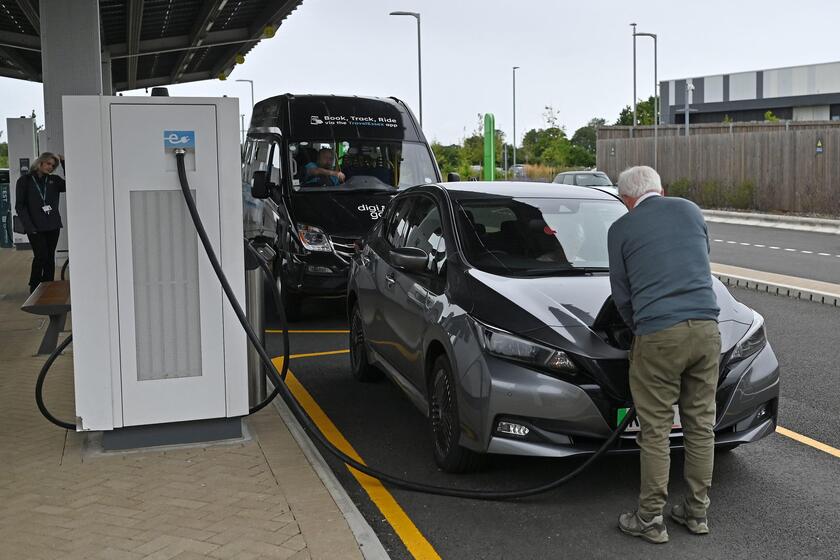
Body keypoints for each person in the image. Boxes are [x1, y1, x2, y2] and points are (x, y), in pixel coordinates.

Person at [608, 166, 721, 544]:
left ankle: (650, 519)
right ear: (661, 189)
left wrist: (638, 329)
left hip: (658, 332)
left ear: (626, 199)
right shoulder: (690, 210)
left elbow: (623, 296)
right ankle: (696, 512)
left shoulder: (622, 229)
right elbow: (699, 260)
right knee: (700, 424)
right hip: (707, 329)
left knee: (655, 430)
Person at [15, 152, 66, 293]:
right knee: (41, 255)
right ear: (40, 162)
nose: (50, 167)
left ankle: (48, 285)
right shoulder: (24, 181)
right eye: (48, 163)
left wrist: (64, 163)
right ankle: (35, 285)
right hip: (35, 227)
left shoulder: (54, 181)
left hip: (53, 225)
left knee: (50, 256)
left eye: (53, 165)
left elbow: (71, 184)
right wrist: (29, 227)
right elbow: (20, 206)